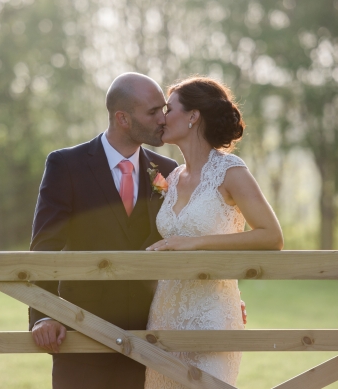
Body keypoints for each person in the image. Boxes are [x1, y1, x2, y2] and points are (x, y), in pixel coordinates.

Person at [28, 72, 178, 389]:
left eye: (163, 109)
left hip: (149, 335)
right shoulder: (66, 165)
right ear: (122, 118)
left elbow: (184, 239)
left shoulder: (167, 171)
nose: (162, 119)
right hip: (81, 334)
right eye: (153, 112)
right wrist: (44, 314)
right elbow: (45, 246)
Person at [144, 76, 284, 388]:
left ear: (193, 116)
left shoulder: (230, 171)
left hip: (211, 315)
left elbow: (271, 236)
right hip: (164, 317)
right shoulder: (173, 177)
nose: (161, 118)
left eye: (168, 109)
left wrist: (196, 244)